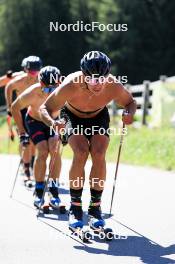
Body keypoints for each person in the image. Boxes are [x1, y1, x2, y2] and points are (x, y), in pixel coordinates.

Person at [39, 51, 137, 229]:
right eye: (92, 80)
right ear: (84, 76)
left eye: (102, 79)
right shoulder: (71, 84)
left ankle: (95, 208)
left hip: (98, 116)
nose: (98, 84)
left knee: (99, 154)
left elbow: (130, 102)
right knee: (81, 151)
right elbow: (44, 107)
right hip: (72, 116)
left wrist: (129, 114)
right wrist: (53, 123)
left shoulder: (113, 84)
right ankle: (75, 208)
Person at [12, 66, 63, 208]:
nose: (49, 93)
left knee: (54, 150)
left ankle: (53, 189)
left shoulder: (63, 90)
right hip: (34, 121)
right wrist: (22, 132)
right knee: (42, 150)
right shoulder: (32, 92)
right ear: (40, 83)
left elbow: (72, 109)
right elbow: (15, 108)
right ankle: (39, 189)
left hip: (53, 122)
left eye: (53, 89)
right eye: (46, 89)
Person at [6, 56, 42, 185]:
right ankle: (26, 169)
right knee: (25, 139)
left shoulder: (41, 79)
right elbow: (8, 88)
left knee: (34, 141)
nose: (34, 75)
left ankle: (31, 164)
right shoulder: (19, 80)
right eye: (31, 72)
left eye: (36, 72)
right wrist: (10, 106)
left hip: (33, 110)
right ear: (25, 70)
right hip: (20, 110)